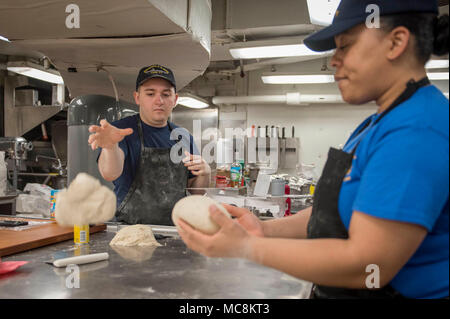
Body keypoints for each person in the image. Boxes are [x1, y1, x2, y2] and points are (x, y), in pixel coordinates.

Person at [176, 0, 449, 299]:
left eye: (345, 46)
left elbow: (370, 266)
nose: (334, 60)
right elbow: (331, 215)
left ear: (396, 42)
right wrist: (262, 230)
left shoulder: (416, 129)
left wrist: (248, 248)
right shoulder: (379, 123)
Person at [88, 64, 211, 225]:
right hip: (131, 232)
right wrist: (110, 147)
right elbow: (110, 173)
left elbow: (196, 192)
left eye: (166, 94)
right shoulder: (121, 131)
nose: (159, 100)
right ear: (137, 97)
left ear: (175, 99)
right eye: (150, 94)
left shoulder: (184, 137)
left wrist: (205, 173)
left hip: (175, 231)